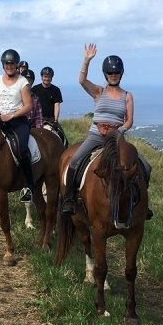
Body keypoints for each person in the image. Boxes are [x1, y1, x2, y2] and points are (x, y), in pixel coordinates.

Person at [61, 44, 134, 214]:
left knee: (142, 165)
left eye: (116, 73)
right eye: (110, 73)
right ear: (105, 74)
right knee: (74, 161)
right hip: (96, 134)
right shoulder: (98, 92)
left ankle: (139, 203)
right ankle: (69, 199)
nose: (113, 75)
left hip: (115, 137)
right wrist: (86, 60)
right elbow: (81, 80)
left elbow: (129, 121)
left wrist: (119, 131)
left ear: (121, 74)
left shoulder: (127, 96)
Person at [0, 48, 37, 202]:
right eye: (6, 64)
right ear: (3, 65)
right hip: (0, 120)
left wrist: (11, 116)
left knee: (22, 148)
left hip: (18, 121)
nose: (9, 66)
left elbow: (28, 105)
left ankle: (29, 186)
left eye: (12, 64)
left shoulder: (23, 82)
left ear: (16, 65)